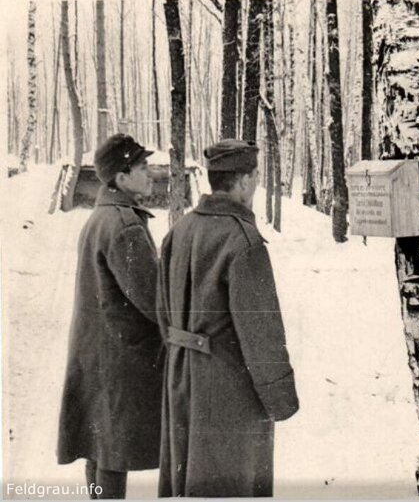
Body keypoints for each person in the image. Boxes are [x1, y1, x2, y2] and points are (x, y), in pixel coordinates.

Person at [157, 139, 299, 497]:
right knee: (231, 482)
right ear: (246, 181)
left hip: (180, 380)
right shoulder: (244, 241)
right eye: (255, 176)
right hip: (228, 391)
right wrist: (281, 399)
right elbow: (261, 334)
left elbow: (162, 311)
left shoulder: (180, 230)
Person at [57, 134, 163, 499]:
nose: (151, 174)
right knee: (113, 451)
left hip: (97, 356)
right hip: (121, 360)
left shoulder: (99, 219)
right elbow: (154, 301)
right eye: (143, 167)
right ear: (121, 178)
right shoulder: (125, 227)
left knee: (101, 449)